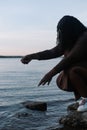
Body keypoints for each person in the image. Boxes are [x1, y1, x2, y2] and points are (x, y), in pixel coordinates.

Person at [21, 15, 87, 112]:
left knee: (73, 70)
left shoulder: (85, 36)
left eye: (63, 31)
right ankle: (81, 99)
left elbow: (70, 58)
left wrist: (50, 74)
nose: (61, 34)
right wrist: (32, 56)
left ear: (71, 29)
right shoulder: (71, 40)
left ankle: (85, 99)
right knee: (67, 72)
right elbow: (54, 51)